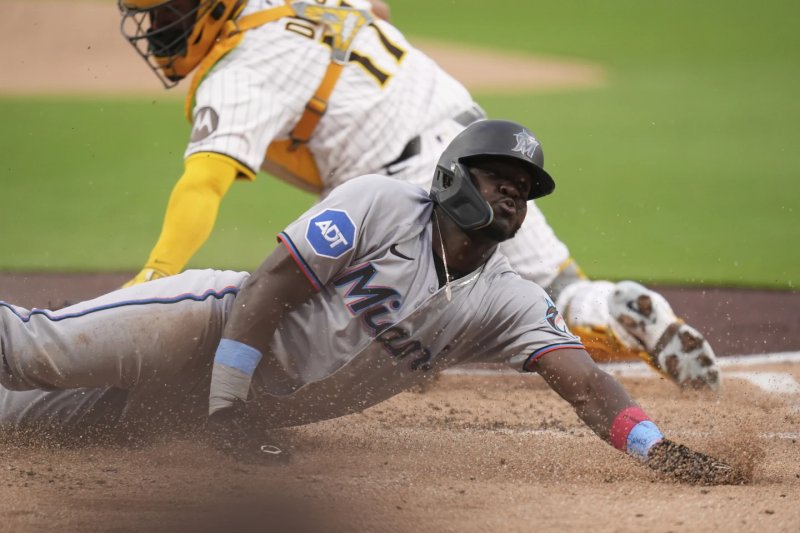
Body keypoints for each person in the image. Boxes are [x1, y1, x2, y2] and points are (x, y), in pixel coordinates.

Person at [0, 120, 738, 484]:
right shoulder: (382, 202)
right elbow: (269, 286)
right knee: (37, 353)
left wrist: (658, 450)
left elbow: (585, 383)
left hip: (242, 398)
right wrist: (228, 405)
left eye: (523, 189)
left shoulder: (506, 300)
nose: (513, 193)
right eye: (497, 177)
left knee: (44, 427)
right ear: (452, 175)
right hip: (207, 326)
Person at [116, 0, 720, 390]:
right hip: (481, 150)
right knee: (554, 296)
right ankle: (611, 305)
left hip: (412, 192)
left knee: (310, 307)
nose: (158, 27)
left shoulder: (242, 71)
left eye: (168, 12)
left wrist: (155, 272)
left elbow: (204, 182)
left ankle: (232, 395)